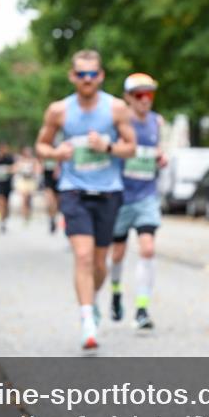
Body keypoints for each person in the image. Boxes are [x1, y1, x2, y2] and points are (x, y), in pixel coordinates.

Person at [36, 49, 136, 350]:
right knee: (82, 255)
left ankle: (91, 302)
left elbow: (130, 148)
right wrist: (56, 153)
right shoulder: (59, 111)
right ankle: (87, 321)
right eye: (82, 74)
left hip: (108, 192)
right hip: (74, 190)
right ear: (72, 76)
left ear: (101, 76)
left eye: (93, 74)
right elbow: (40, 145)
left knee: (99, 263)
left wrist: (107, 146)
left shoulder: (117, 108)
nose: (87, 79)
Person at [110, 73, 168, 329]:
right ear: (128, 98)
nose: (145, 100)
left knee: (147, 249)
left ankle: (142, 309)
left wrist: (160, 158)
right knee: (118, 253)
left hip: (146, 195)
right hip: (121, 196)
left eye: (150, 94)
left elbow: (158, 152)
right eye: (139, 95)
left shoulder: (157, 122)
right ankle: (115, 292)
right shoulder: (119, 123)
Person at [15, 145, 41, 224]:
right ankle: (24, 216)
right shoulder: (20, 160)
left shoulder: (33, 160)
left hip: (31, 181)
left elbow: (38, 169)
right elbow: (15, 168)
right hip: (23, 181)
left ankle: (28, 213)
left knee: (29, 199)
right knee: (24, 198)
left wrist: (33, 172)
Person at [43, 151, 61, 234]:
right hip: (47, 180)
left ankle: (53, 218)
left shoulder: (59, 152)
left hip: (57, 180)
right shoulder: (44, 154)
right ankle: (51, 219)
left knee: (56, 203)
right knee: (50, 202)